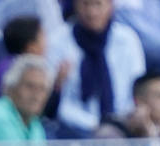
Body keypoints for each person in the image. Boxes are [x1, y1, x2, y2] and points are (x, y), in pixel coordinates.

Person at [54, 0, 145, 136]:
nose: (92, 12)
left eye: (98, 4)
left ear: (110, 6)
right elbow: (60, 103)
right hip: (72, 128)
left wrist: (122, 121)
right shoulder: (58, 40)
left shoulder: (128, 40)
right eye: (85, 4)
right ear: (75, 6)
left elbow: (137, 88)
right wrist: (95, 125)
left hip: (122, 125)